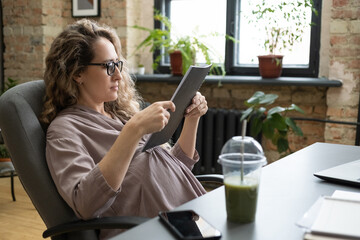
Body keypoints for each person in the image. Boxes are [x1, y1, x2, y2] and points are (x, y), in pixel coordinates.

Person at [40, 19, 209, 239]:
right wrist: (133, 131)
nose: (119, 75)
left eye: (118, 65)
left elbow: (177, 167)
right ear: (77, 73)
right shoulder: (65, 130)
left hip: (178, 220)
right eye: (108, 66)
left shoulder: (120, 113)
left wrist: (192, 119)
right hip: (139, 231)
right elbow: (84, 203)